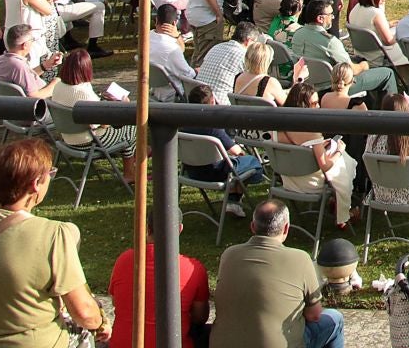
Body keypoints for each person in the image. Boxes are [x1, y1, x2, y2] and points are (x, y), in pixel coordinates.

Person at [0, 138, 107, 346]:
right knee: (86, 334)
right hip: (34, 343)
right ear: (36, 183)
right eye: (50, 174)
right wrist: (101, 322)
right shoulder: (54, 234)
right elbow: (85, 313)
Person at [212, 201, 344, 348]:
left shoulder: (229, 255)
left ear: (253, 226)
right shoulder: (300, 259)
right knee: (335, 319)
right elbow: (314, 315)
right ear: (286, 228)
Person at [111, 207, 212, 347]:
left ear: (148, 228)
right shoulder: (193, 269)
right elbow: (200, 317)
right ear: (180, 229)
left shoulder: (123, 261)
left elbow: (116, 302)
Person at [275, 83, 359, 227]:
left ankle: (337, 201)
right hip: (310, 184)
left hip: (287, 178)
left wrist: (319, 146)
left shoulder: (276, 129)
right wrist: (339, 151)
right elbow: (325, 166)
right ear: (303, 105)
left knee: (337, 156)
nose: (318, 107)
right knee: (343, 160)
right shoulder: (311, 133)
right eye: (314, 104)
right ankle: (343, 211)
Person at [292, 0, 398, 103]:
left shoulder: (297, 35)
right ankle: (392, 109)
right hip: (334, 88)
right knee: (387, 73)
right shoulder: (330, 42)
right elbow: (352, 70)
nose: (333, 17)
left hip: (305, 85)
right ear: (320, 18)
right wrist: (364, 65)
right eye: (330, 14)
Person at [184, 82, 266, 218]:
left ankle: (233, 200)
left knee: (236, 167)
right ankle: (233, 201)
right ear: (212, 102)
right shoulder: (212, 128)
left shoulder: (181, 125)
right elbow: (237, 151)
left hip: (192, 172)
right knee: (252, 163)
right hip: (216, 173)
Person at [348, 0, 409, 68]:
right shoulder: (376, 14)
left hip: (360, 53)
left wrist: (387, 24)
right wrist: (402, 33)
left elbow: (367, 26)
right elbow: (388, 41)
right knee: (408, 49)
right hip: (376, 58)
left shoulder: (356, 8)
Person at [0, 23, 60, 99]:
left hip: (10, 102)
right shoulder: (19, 66)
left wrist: (46, 65)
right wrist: (55, 84)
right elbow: (34, 97)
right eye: (32, 40)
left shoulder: (1, 59)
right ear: (24, 45)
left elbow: (24, 77)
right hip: (35, 103)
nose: (33, 43)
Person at [151, 2, 200, 94]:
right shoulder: (172, 49)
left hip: (152, 89)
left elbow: (181, 50)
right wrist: (198, 70)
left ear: (156, 20)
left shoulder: (146, 38)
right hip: (174, 93)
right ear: (175, 23)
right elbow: (189, 75)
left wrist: (177, 36)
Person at [197, 19, 258, 92]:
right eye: (255, 42)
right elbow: (253, 81)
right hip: (222, 97)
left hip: (199, 94)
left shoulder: (216, 47)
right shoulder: (244, 55)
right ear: (248, 41)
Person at [232, 39, 288, 104]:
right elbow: (287, 103)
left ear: (247, 58)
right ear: (267, 61)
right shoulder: (270, 82)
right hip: (262, 111)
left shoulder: (238, 77)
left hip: (240, 111)